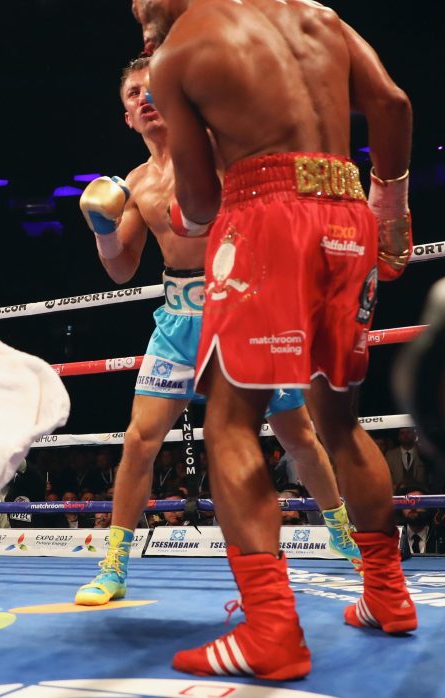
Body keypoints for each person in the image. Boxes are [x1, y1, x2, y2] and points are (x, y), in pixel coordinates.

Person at [134, 0, 416, 679]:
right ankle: (388, 598)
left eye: (147, 2)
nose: (141, 14)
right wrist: (391, 207)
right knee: (339, 421)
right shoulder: (315, 14)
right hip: (349, 218)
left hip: (263, 220)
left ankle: (271, 633)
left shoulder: (178, 55)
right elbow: (394, 102)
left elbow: (201, 207)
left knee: (230, 422)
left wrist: (167, 211)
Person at [73, 56, 360, 608]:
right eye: (134, 93)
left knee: (297, 433)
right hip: (177, 318)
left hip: (242, 306)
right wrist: (103, 230)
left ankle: (342, 530)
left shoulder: (219, 149)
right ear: (127, 116)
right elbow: (121, 268)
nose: (145, 98)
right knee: (139, 440)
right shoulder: (134, 182)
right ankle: (113, 564)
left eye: (154, 88)